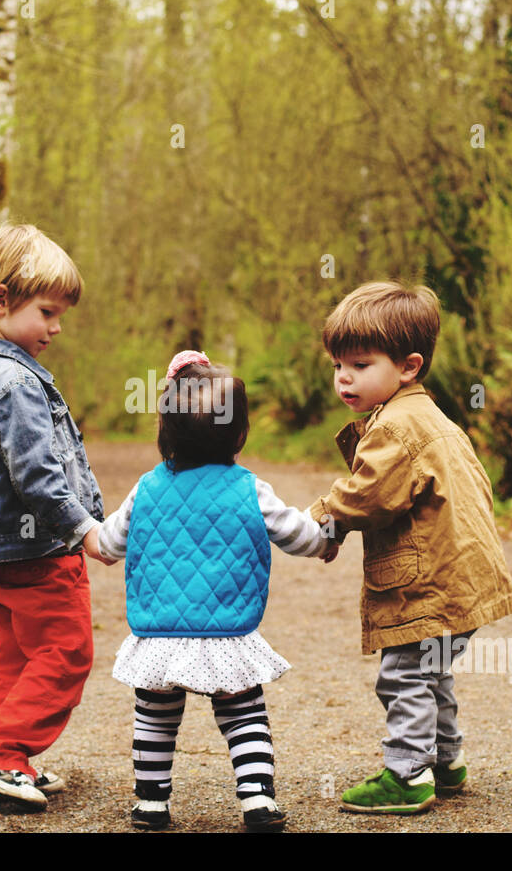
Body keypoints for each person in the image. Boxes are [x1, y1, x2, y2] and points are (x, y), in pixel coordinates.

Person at [95, 351, 335, 832]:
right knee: (244, 713)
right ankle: (256, 801)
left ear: (165, 430)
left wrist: (81, 528)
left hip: (159, 633)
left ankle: (151, 804)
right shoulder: (251, 489)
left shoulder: (145, 489)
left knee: (155, 719)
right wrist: (330, 535)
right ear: (239, 433)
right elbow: (301, 536)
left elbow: (108, 543)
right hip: (228, 630)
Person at [307, 280, 512, 814]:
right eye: (338, 366)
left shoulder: (397, 428)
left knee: (404, 675)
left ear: (408, 366)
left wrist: (322, 519)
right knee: (434, 669)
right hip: (462, 579)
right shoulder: (431, 417)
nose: (344, 378)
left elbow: (368, 495)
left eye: (360, 364)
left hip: (429, 582)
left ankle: (407, 774)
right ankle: (446, 759)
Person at [0, 222, 110, 809]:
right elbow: (37, 474)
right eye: (47, 312)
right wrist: (83, 526)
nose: (56, 328)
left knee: (16, 655)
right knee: (66, 652)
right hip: (37, 552)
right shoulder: (15, 380)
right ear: (0, 300)